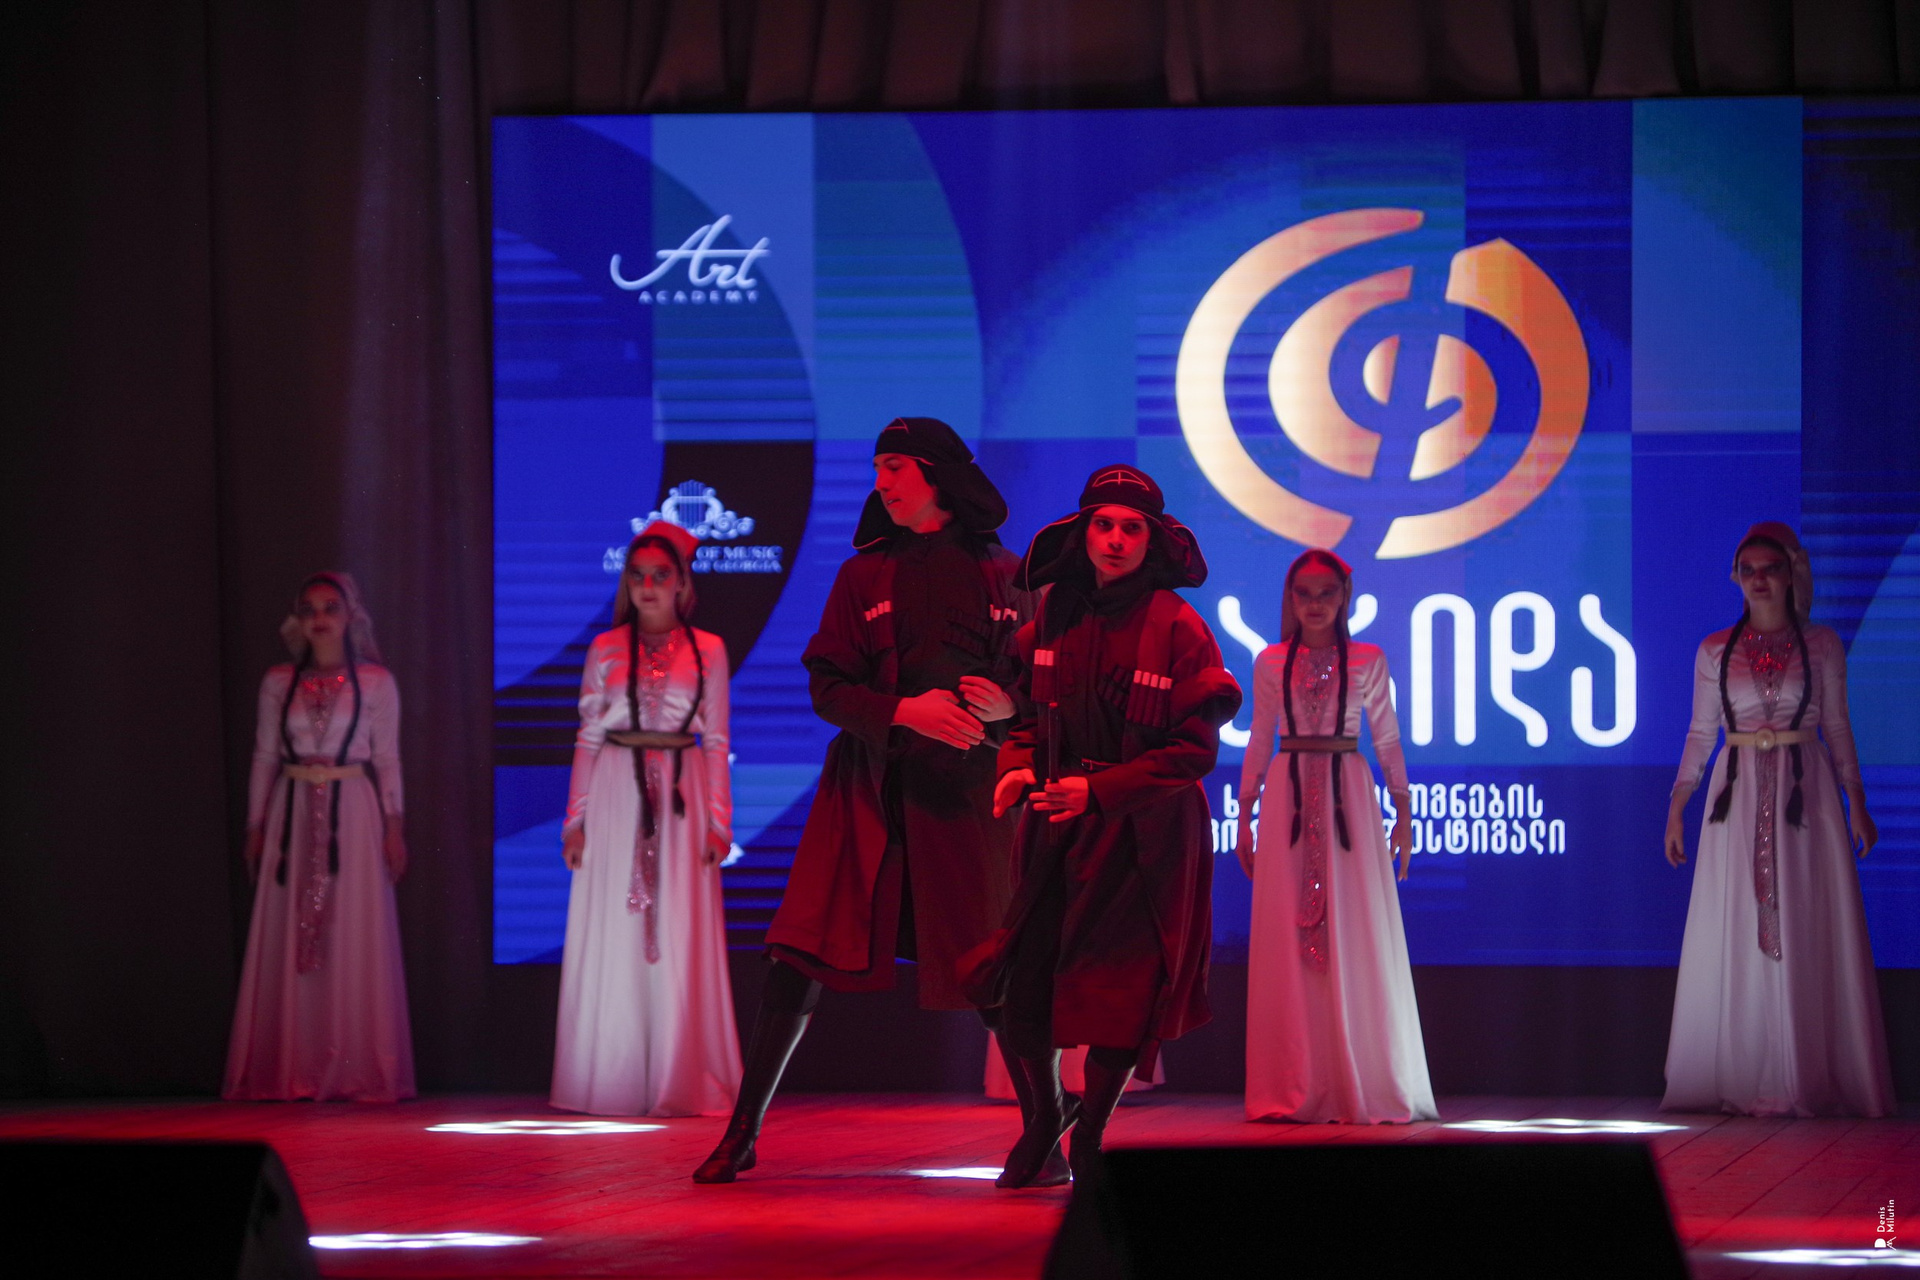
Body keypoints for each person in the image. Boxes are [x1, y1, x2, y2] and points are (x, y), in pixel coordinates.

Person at [694, 417, 1029, 1183]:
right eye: (878, 466)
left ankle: (1045, 1135)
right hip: (867, 794)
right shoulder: (864, 576)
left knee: (993, 968)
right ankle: (741, 1133)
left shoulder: (1006, 573)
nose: (881, 481)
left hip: (966, 802)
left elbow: (1041, 682)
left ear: (937, 474)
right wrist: (904, 711)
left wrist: (1009, 706)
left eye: (895, 465)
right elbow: (828, 686)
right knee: (800, 950)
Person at [970, 464, 1241, 1187]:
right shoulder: (1053, 614)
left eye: (1130, 527)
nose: (1115, 539)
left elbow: (1193, 752)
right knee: (1025, 984)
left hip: (1145, 838)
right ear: (1083, 533)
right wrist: (1016, 768)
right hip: (1056, 827)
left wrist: (1096, 790)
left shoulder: (1178, 626)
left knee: (1122, 995)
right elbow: (1026, 720)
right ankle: (1046, 1118)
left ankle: (1089, 1134)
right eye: (1103, 524)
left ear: (1152, 540)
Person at [1662, 522, 1893, 1117]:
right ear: (1736, 578)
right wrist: (1679, 802)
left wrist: (1857, 799)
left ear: (1792, 574)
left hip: (1803, 793)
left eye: (1770, 569)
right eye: (1749, 570)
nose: (1759, 580)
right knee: (1739, 920)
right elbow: (1700, 733)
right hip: (1735, 796)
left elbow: (1837, 725)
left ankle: (1804, 1073)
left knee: (1805, 916)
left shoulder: (1822, 645)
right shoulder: (1715, 650)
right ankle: (1745, 1069)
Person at [1237, 550, 1435, 1124]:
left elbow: (1388, 737)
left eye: (1327, 592)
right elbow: (1259, 735)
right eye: (1304, 593)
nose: (1315, 604)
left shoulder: (1369, 659)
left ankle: (1361, 1076)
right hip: (1287, 797)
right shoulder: (1271, 662)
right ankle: (1295, 1080)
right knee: (1285, 931)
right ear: (1290, 598)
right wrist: (1244, 812)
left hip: (1349, 790)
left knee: (1356, 925)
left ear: (1345, 597)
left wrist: (1403, 811)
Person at [551, 522, 740, 1116]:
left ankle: (676, 1075)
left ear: (681, 582)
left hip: (682, 795)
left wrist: (719, 823)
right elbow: (588, 736)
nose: (648, 586)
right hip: (615, 796)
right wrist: (575, 821)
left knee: (678, 928)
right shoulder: (605, 649)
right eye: (637, 576)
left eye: (660, 575)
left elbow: (716, 740)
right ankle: (613, 1078)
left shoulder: (708, 649)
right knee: (616, 926)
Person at [224, 572, 413, 1101]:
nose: (320, 619)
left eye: (330, 607)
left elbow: (387, 758)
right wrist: (255, 825)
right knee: (291, 932)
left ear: (351, 616)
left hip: (352, 811)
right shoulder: (278, 682)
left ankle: (354, 1066)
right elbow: (265, 755)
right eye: (309, 609)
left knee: (351, 928)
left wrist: (395, 826)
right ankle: (294, 1063)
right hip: (292, 811)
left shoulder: (375, 682)